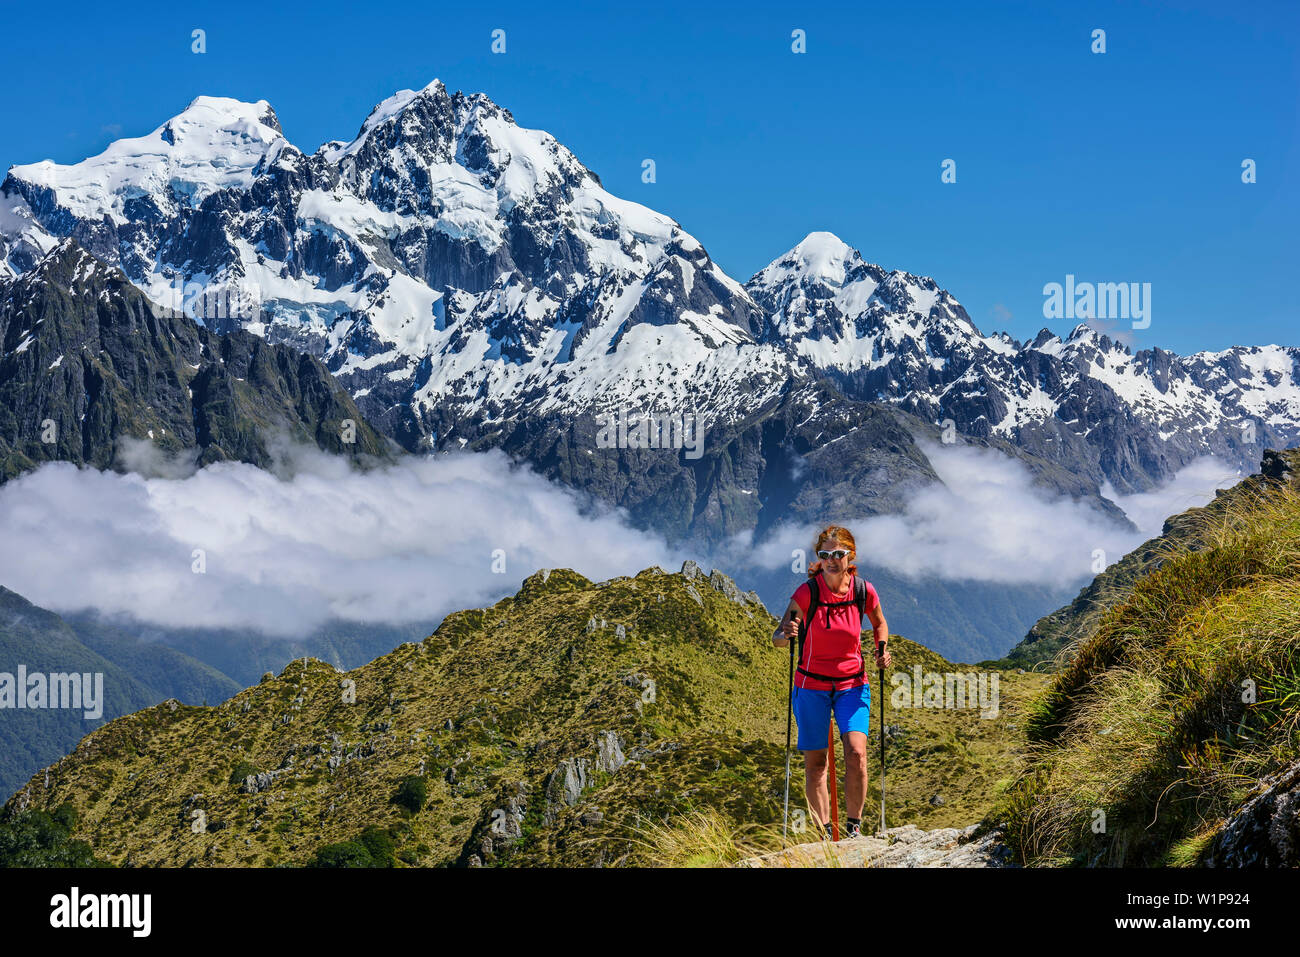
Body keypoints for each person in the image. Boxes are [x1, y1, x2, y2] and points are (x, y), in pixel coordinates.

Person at [772, 525, 891, 840]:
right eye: (825, 555)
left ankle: (853, 828)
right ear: (819, 559)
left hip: (853, 684)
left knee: (856, 753)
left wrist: (882, 650)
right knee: (816, 762)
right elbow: (778, 638)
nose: (832, 560)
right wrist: (787, 634)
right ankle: (825, 835)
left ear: (850, 555)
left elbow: (879, 623)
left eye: (839, 554)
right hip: (811, 686)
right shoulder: (806, 593)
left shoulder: (863, 591)